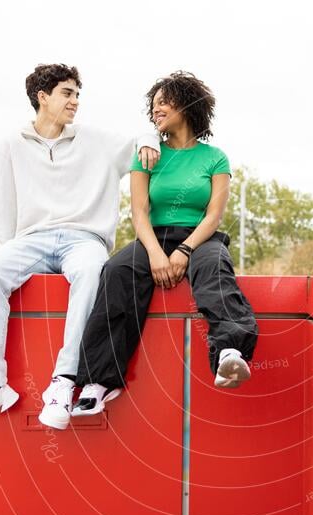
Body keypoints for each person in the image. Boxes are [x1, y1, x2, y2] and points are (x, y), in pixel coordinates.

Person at [0, 63, 160, 437]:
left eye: (78, 94)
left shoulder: (95, 140)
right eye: (67, 93)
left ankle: (63, 382)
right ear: (42, 97)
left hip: (84, 239)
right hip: (31, 239)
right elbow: (4, 206)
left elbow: (139, 139)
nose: (75, 102)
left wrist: (148, 137)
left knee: (91, 274)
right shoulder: (11, 144)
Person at [70, 71, 258, 417]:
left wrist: (185, 250)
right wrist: (157, 254)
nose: (156, 110)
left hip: (200, 236)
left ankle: (230, 352)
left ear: (186, 105)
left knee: (214, 265)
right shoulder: (146, 154)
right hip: (152, 237)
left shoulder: (215, 158)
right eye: (153, 105)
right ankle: (98, 382)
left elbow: (213, 215)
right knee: (116, 271)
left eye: (164, 102)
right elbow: (139, 213)